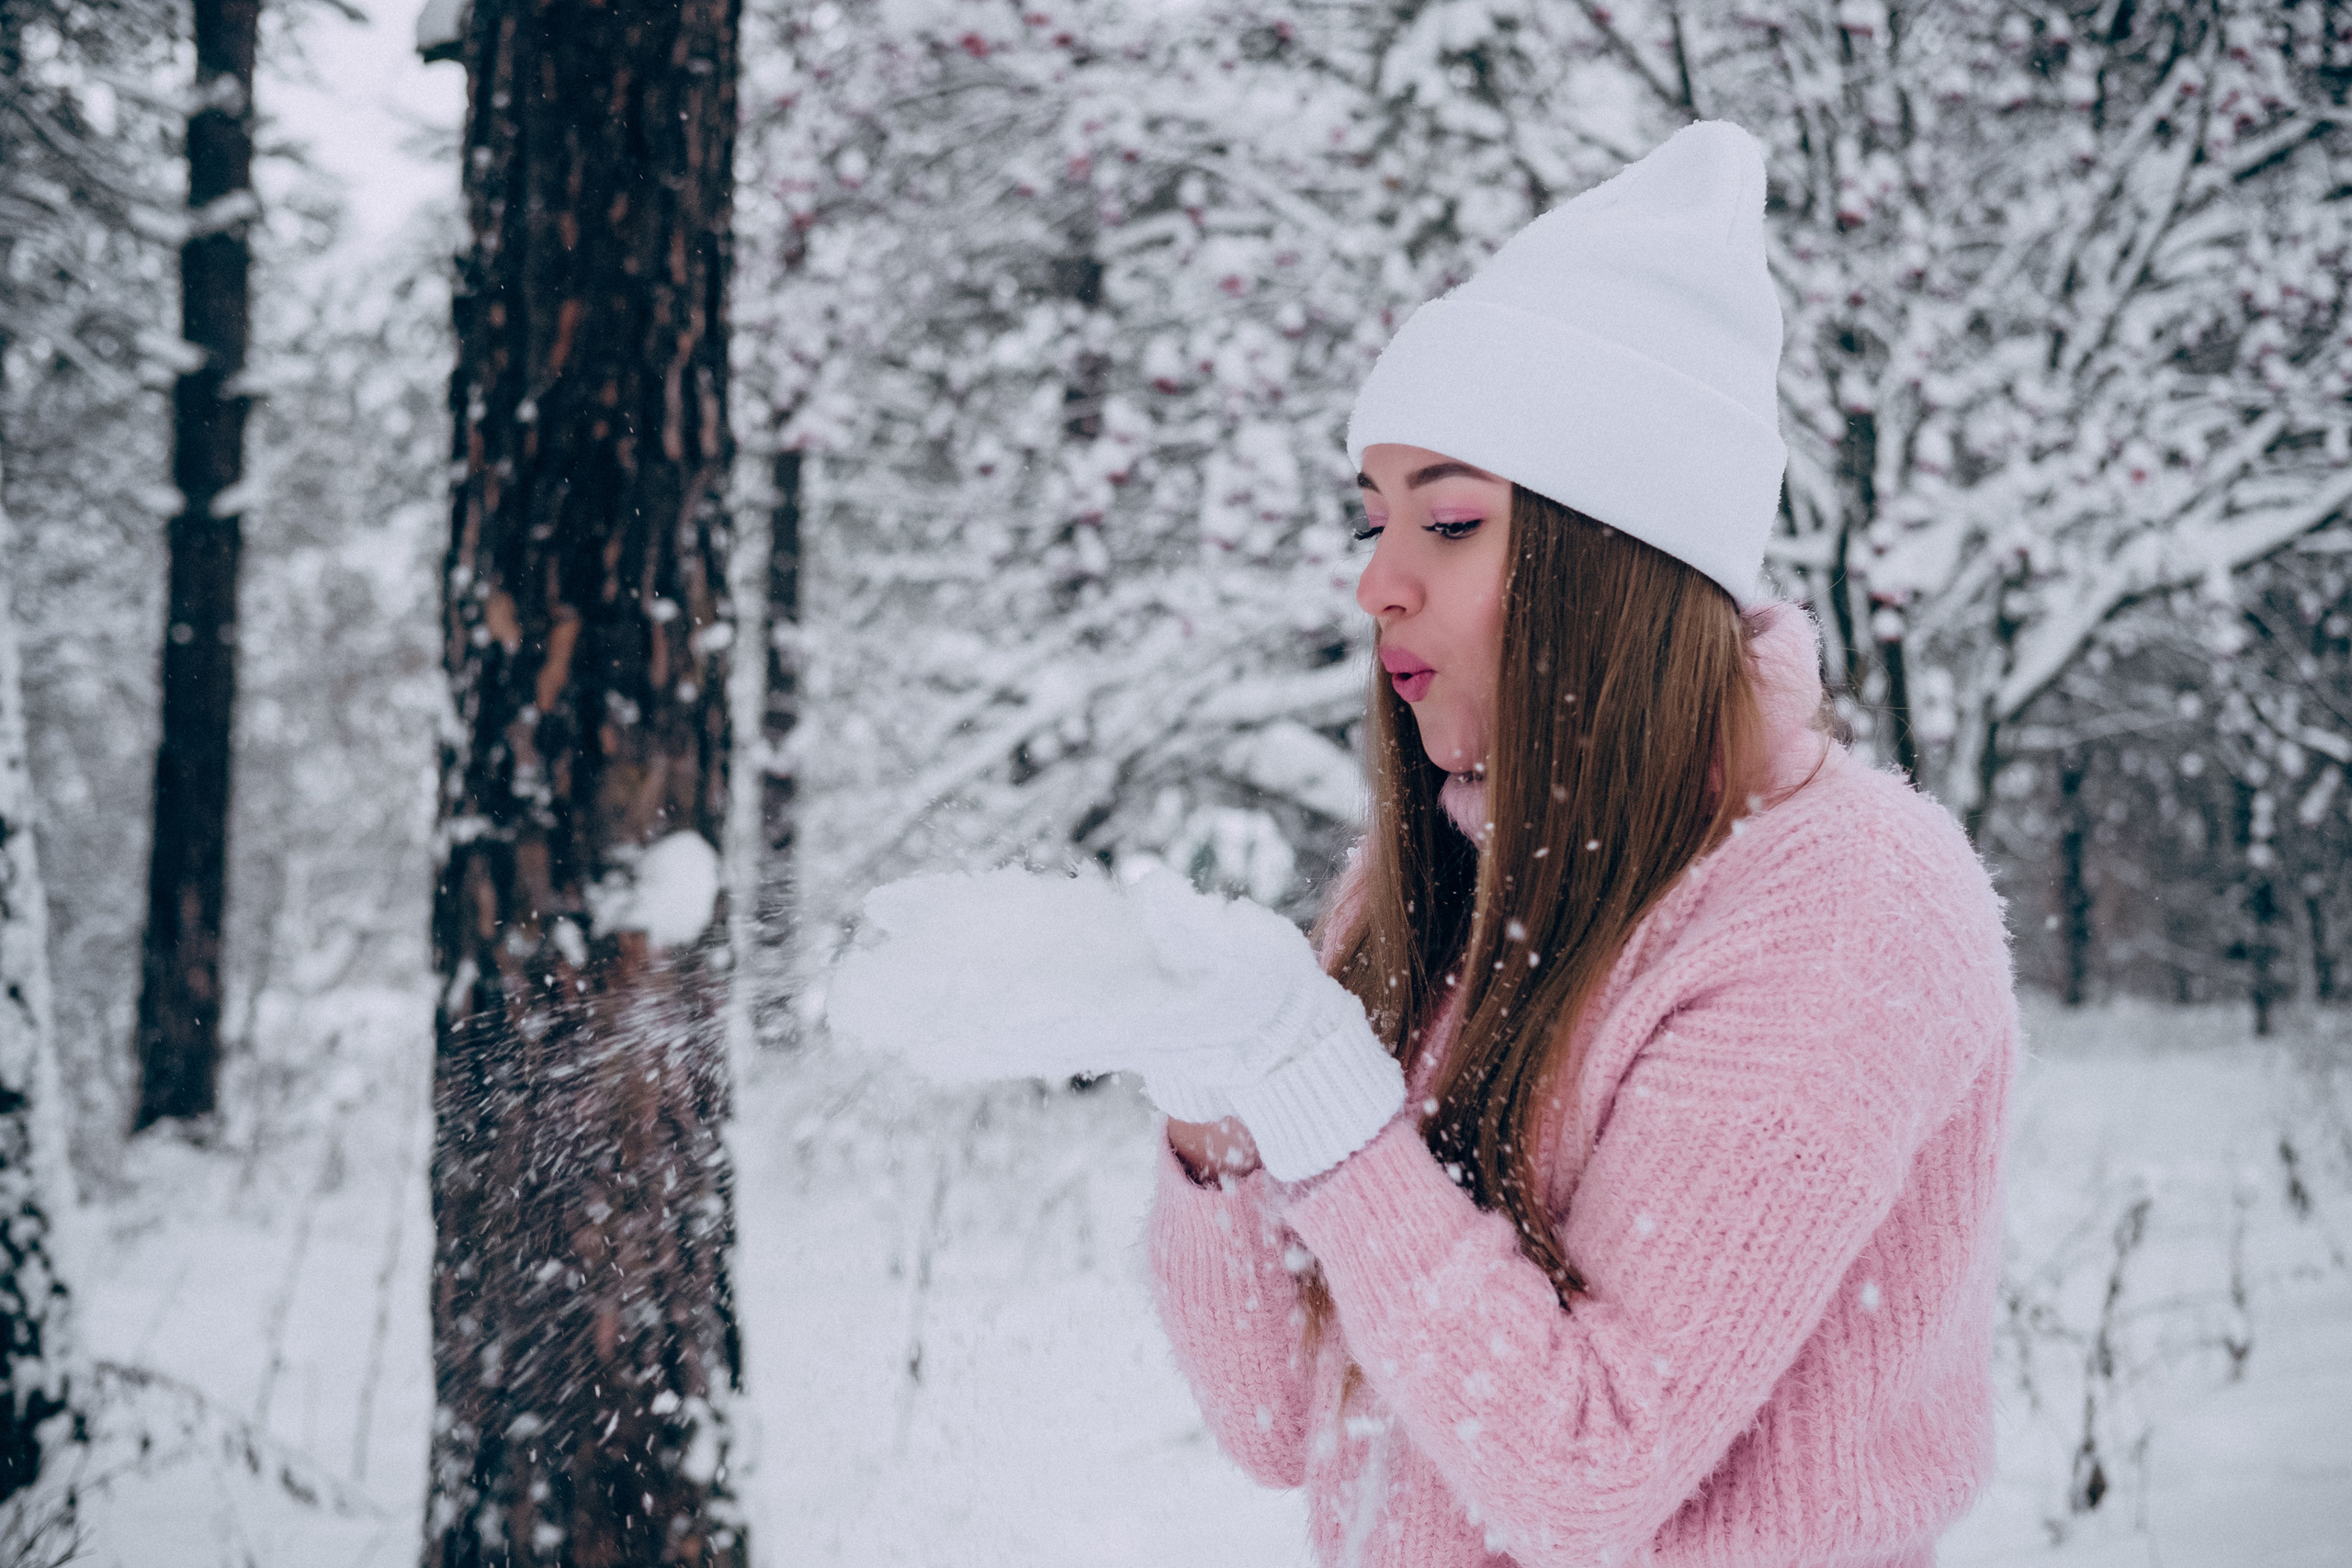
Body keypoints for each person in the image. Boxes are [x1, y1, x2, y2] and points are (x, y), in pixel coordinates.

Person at [1143, 122, 2018, 1566]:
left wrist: (1330, 1113)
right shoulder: (1440, 876)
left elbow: (1588, 1468)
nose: (1377, 584)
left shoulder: (1847, 912)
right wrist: (1215, 1116)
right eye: (1374, 522)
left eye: (1451, 521)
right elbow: (1279, 1420)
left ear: (1613, 556)